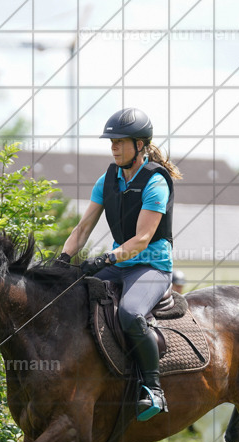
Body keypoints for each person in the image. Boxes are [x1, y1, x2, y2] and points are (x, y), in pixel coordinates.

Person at [58, 108, 183, 421]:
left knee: (130, 313)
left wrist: (106, 258)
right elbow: (83, 227)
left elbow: (142, 239)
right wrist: (63, 259)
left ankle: (154, 389)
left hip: (151, 267)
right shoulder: (107, 179)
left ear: (140, 145)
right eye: (111, 141)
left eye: (120, 141)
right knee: (69, 294)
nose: (113, 146)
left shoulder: (156, 183)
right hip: (119, 264)